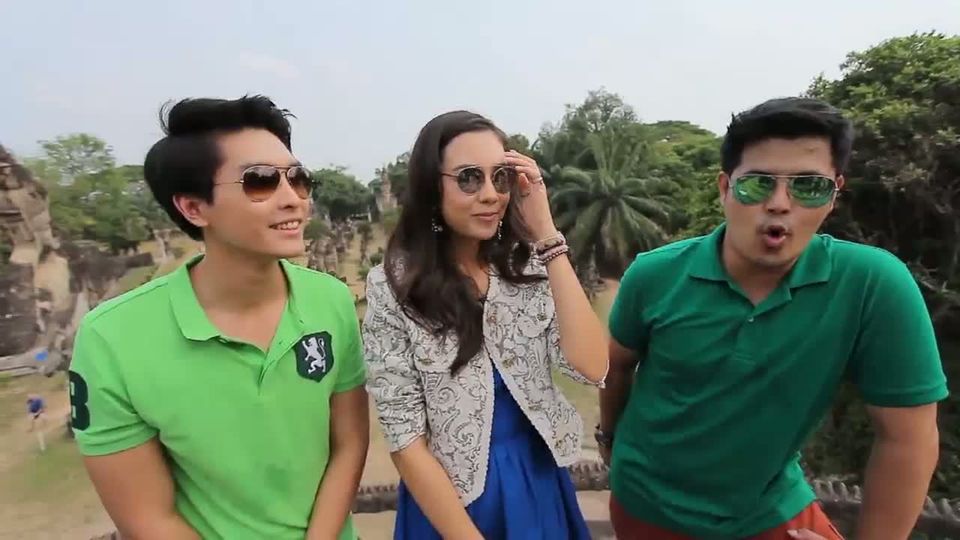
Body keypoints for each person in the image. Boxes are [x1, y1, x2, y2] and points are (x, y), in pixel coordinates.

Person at [598, 96, 949, 540]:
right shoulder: (655, 274)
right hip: (644, 505)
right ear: (725, 189)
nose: (780, 203)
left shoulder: (872, 284)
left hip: (766, 512)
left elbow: (908, 438)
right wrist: (609, 440)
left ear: (834, 195)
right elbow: (615, 367)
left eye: (809, 186)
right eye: (757, 184)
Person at [68, 95, 369, 539]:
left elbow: (349, 444)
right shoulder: (112, 338)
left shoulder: (331, 300)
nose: (293, 200)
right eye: (260, 181)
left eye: (298, 179)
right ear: (193, 207)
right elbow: (147, 518)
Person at [362, 110, 609, 539]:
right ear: (431, 186)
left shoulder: (528, 267)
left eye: (501, 177)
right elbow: (404, 437)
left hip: (536, 485)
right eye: (469, 178)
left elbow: (592, 366)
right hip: (448, 505)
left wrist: (547, 234)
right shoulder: (394, 286)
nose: (491, 194)